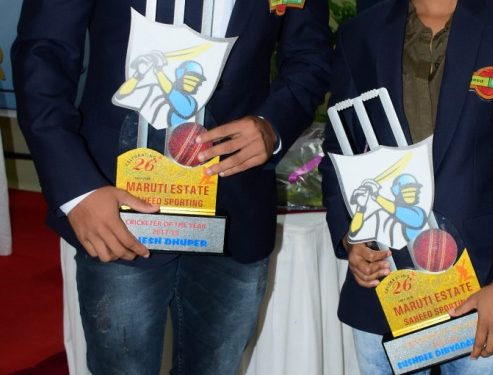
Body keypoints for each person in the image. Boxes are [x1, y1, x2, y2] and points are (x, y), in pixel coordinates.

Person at [12, 0, 331, 374]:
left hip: (235, 200)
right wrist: (77, 189)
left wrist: (272, 124)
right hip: (116, 206)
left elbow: (310, 55)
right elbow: (43, 54)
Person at [320, 0, 493, 373]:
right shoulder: (363, 32)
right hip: (387, 287)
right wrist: (348, 235)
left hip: (486, 291)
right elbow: (338, 152)